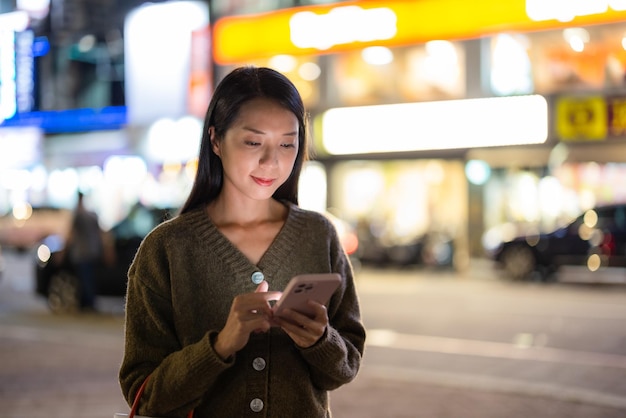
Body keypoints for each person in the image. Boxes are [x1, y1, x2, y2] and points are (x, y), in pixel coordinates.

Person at [119, 66, 366, 417]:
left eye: (287, 143)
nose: (272, 161)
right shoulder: (168, 249)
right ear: (216, 140)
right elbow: (144, 396)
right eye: (253, 142)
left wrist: (319, 341)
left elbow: (346, 367)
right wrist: (220, 346)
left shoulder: (318, 235)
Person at [66, 191, 104, 311]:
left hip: (81, 253)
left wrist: (63, 251)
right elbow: (101, 233)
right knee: (89, 278)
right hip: (92, 251)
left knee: (84, 279)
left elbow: (71, 234)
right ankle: (88, 303)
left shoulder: (78, 214)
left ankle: (87, 304)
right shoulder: (92, 214)